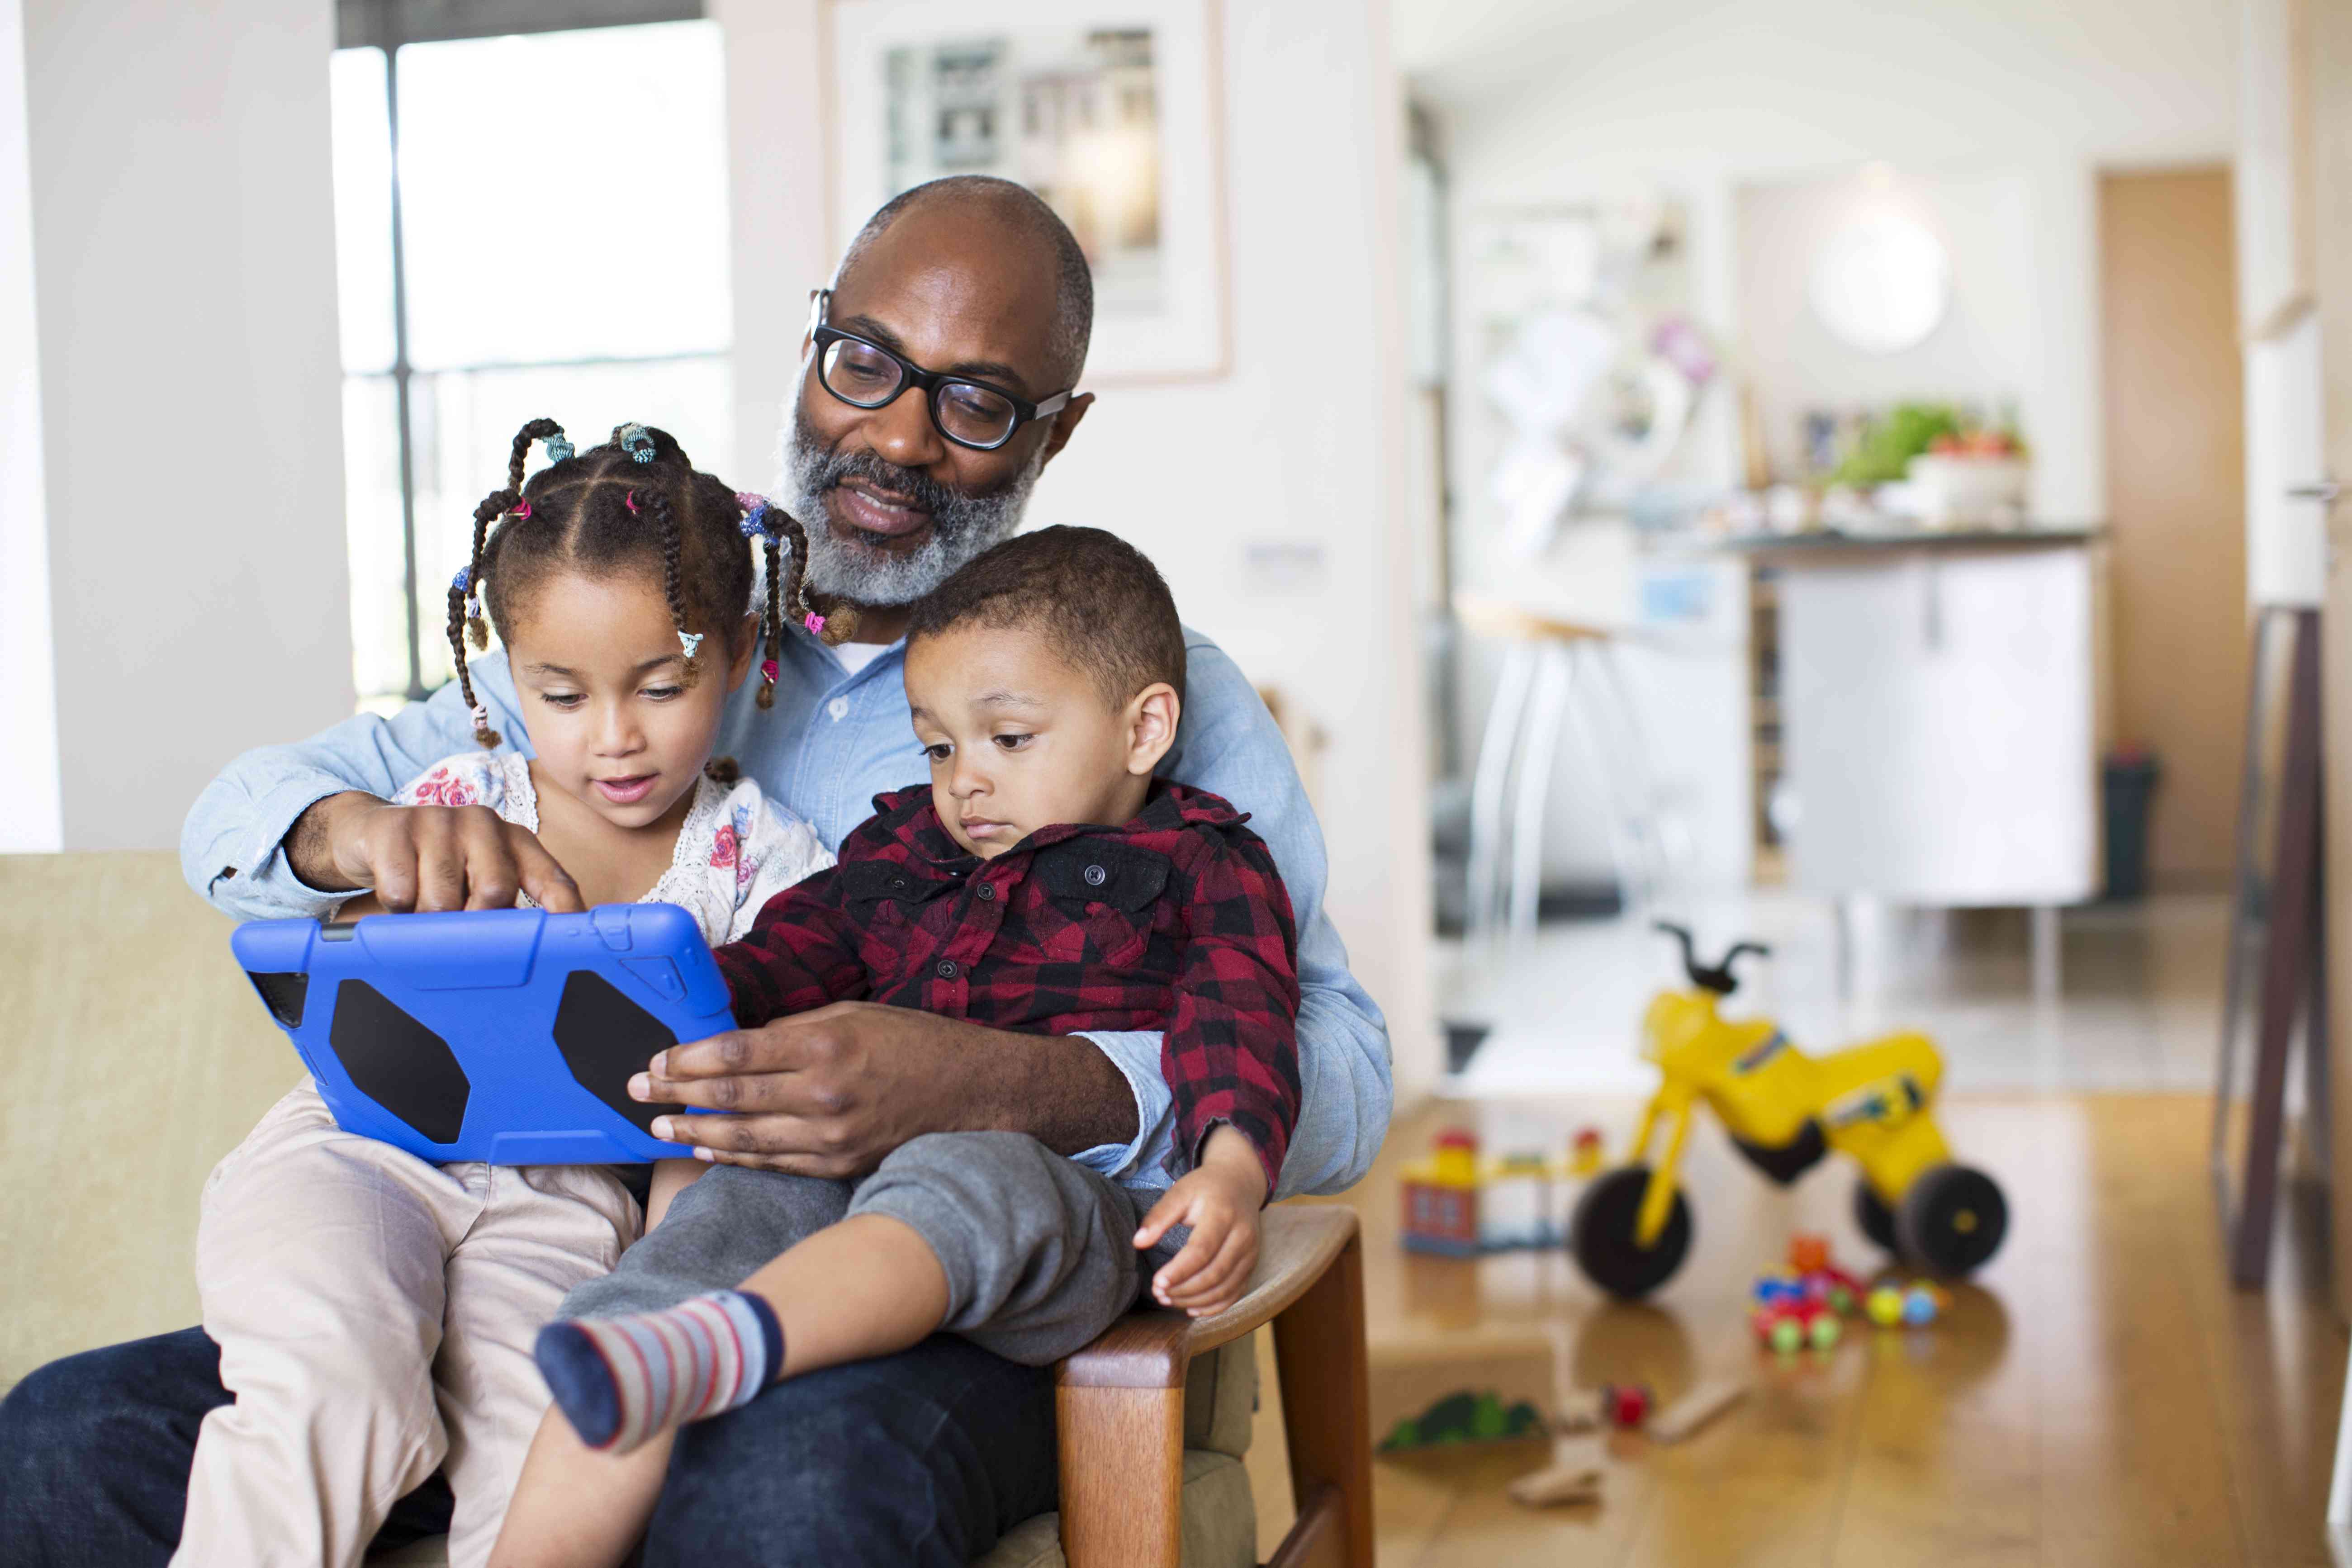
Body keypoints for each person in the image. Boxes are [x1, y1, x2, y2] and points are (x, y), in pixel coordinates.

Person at [0, 175, 1392, 1568]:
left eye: (974, 404)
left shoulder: (1131, 677)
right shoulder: (648, 609)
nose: (896, 434)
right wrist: (353, 835)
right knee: (65, 1437)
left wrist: (1008, 1080)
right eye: (866, 363)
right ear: (814, 344)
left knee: (780, 1490)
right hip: (528, 1245)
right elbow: (243, 818)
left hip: (919, 1297)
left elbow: (1340, 1068)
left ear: (1058, 428)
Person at [493, 526, 1300, 1568]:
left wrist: (1232, 1172)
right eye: (937, 746)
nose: (964, 782)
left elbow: (1239, 1017)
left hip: (1050, 1206)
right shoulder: (902, 853)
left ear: (1142, 729)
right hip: (839, 1178)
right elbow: (783, 958)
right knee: (720, 1215)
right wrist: (643, 1008)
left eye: (1007, 740)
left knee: (966, 1171)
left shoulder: (1198, 861)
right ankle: (641, 1351)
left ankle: (727, 1347)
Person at [178, 418, 838, 1568]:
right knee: (332, 1386)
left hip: (572, 1202)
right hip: (360, 1145)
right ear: (502, 667)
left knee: (551, 1454)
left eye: (663, 685)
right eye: (561, 694)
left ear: (738, 651)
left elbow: (725, 1118)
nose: (615, 739)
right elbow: (363, 984)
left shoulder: (771, 868)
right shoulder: (456, 801)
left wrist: (671, 1272)